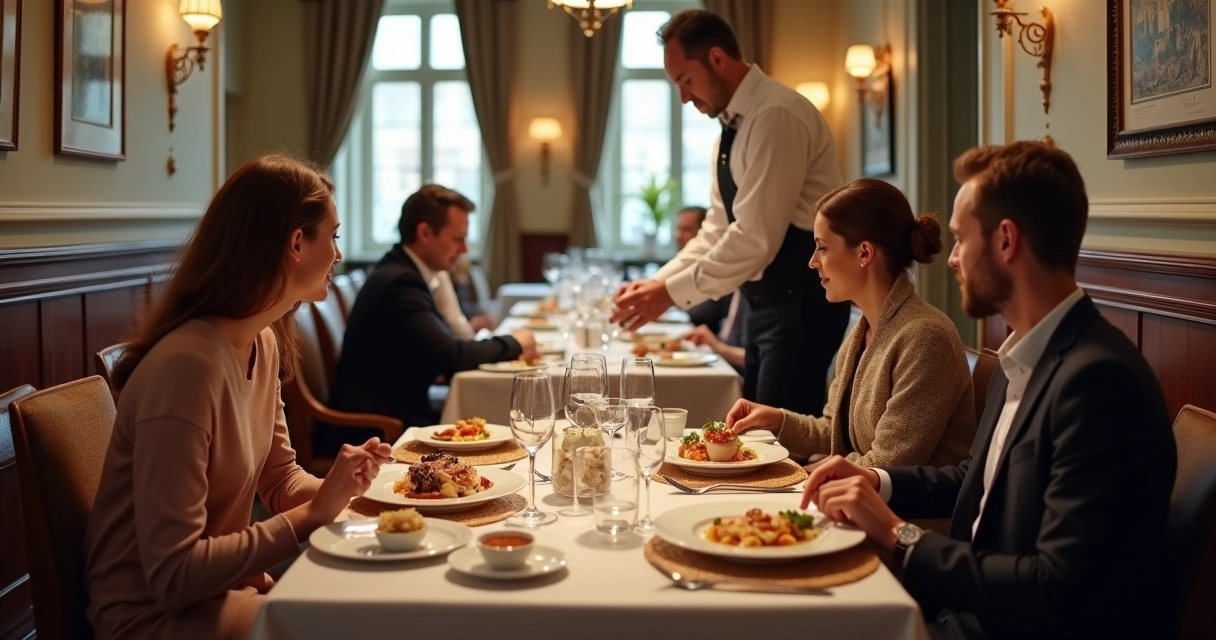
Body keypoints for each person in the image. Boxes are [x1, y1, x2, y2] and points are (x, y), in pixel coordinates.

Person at [800, 142, 1176, 640]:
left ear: (1005, 241)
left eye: (960, 239)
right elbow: (973, 476)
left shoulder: (1099, 383)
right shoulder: (1024, 358)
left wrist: (898, 534)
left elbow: (1054, 589)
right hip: (965, 609)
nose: (951, 258)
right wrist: (876, 483)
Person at [83, 155, 394, 640]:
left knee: (387, 595)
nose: (337, 254)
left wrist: (367, 491)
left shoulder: (262, 341)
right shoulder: (187, 368)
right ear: (296, 243)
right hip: (151, 618)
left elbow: (280, 479)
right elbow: (173, 575)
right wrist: (314, 514)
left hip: (222, 593)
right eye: (331, 236)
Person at [611, 9, 850, 416]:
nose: (684, 96)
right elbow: (716, 230)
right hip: (766, 305)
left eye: (685, 80)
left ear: (717, 59)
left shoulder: (776, 115)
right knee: (755, 438)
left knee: (777, 446)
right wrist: (654, 284)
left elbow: (754, 238)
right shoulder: (733, 127)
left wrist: (668, 295)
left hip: (801, 304)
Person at [724, 179, 975, 468]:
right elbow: (835, 432)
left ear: (864, 253)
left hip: (905, 513)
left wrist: (800, 476)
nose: (813, 261)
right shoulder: (861, 332)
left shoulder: (926, 338)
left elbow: (888, 463)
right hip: (858, 503)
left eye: (822, 248)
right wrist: (777, 419)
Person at [329, 185, 538, 429]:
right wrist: (516, 342)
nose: (464, 250)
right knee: (508, 423)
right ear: (425, 232)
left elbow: (441, 351)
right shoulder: (400, 284)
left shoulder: (405, 271)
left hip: (397, 409)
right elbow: (452, 357)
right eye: (457, 239)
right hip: (375, 426)